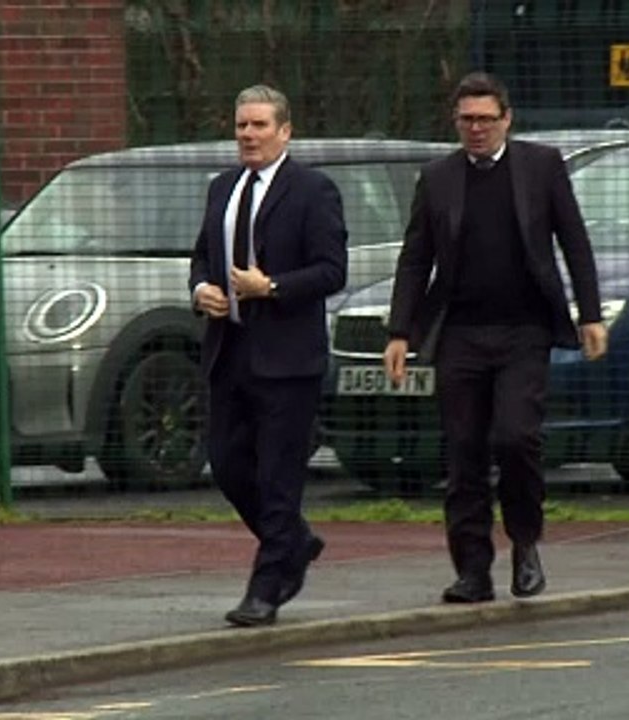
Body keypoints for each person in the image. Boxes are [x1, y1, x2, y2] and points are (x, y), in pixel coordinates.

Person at [382, 72, 608, 603]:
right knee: (462, 453)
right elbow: (416, 258)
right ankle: (472, 570)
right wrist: (400, 331)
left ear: (507, 119)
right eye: (467, 120)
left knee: (515, 438)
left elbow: (574, 242)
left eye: (486, 119)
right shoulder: (437, 178)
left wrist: (590, 314)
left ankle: (525, 543)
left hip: (524, 330)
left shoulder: (541, 167)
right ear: (455, 122)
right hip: (460, 332)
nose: (477, 129)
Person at [188, 84, 348, 626]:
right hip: (229, 350)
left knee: (280, 474)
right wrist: (201, 291)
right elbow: (203, 257)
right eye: (241, 126)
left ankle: (267, 585)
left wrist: (272, 286)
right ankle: (294, 542)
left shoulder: (312, 191)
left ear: (285, 131)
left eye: (259, 126)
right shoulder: (222, 188)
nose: (248, 136)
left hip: (287, 359)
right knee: (230, 466)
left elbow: (332, 270)